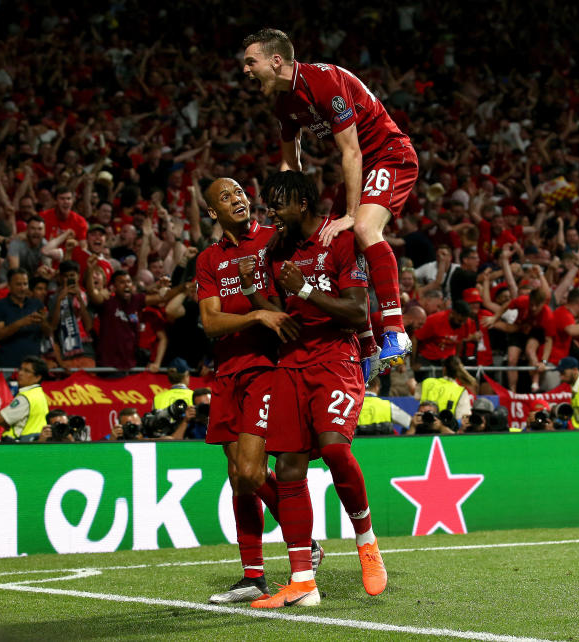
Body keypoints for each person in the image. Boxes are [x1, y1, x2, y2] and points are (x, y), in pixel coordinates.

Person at [242, 28, 419, 365]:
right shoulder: (284, 103)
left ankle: (396, 331)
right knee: (333, 242)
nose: (246, 70)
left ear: (276, 60)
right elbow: (290, 165)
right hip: (359, 167)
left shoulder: (323, 80)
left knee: (364, 230)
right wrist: (279, 207)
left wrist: (351, 214)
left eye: (251, 62)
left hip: (387, 154)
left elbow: (351, 152)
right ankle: (369, 349)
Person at [249, 171, 384, 609]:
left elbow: (357, 309)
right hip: (291, 362)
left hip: (335, 358)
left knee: (334, 450)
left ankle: (366, 542)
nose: (271, 209)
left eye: (278, 201)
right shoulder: (277, 251)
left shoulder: (340, 241)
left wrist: (303, 289)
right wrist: (264, 304)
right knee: (288, 467)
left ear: (303, 203)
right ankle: (303, 581)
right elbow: (272, 302)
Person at [196, 176, 311, 604]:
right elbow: (210, 323)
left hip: (267, 366)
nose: (238, 200)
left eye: (240, 193)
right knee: (239, 479)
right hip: (227, 370)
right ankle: (252, 576)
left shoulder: (273, 240)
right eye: (226, 197)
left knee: (248, 471)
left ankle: (303, 540)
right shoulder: (208, 259)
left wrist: (263, 314)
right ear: (214, 213)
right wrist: (254, 317)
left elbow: (288, 301)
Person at [0, 268, 49, 369]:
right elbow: (0, 334)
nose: (23, 288)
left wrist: (44, 322)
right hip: (8, 365)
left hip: (33, 368)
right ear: (9, 286)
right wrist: (22, 322)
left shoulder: (37, 304)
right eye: (18, 284)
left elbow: (48, 333)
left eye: (25, 284)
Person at [48, 260, 96, 369]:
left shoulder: (86, 296)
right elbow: (53, 326)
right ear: (60, 278)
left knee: (87, 385)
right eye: (65, 276)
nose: (69, 278)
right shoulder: (54, 298)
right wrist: (60, 299)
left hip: (86, 352)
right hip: (65, 352)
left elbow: (89, 326)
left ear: (78, 276)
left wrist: (79, 298)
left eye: (72, 275)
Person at [0, 356, 50, 441]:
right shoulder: (40, 395)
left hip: (19, 444)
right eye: (20, 369)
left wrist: (7, 425)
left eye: (26, 371)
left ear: (37, 377)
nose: (20, 373)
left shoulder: (26, 397)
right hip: (34, 442)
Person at [416, 356, 476, 428]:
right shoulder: (461, 391)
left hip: (424, 427)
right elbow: (463, 418)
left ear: (444, 369)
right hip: (447, 432)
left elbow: (416, 396)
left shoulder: (427, 382)